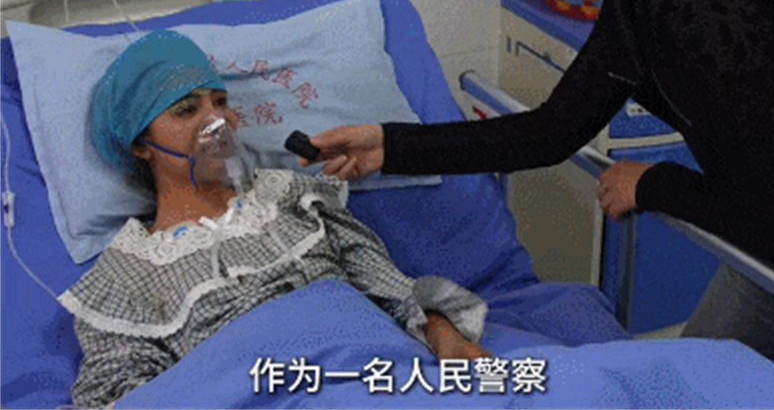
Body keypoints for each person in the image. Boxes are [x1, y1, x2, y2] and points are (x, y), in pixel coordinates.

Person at [301, 0, 774, 380]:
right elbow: (552, 130)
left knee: (700, 381)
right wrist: (389, 145)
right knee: (703, 378)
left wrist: (655, 184)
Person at [60, 29, 490, 409]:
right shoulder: (127, 277)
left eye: (221, 103)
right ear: (140, 145)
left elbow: (384, 285)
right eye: (187, 110)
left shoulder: (293, 197)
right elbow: (123, 395)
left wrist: (442, 335)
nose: (217, 121)